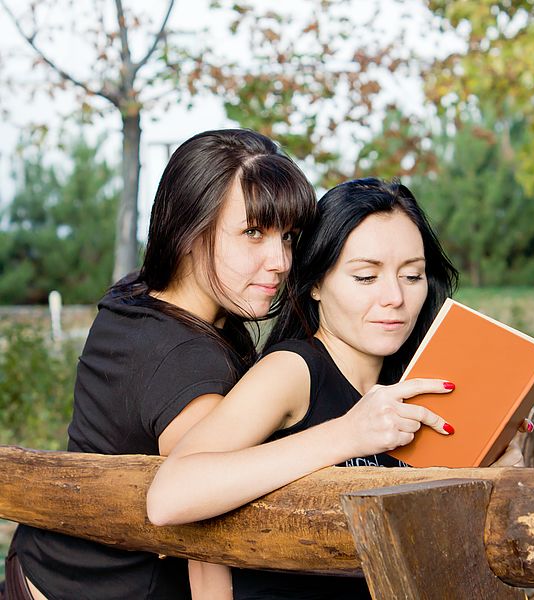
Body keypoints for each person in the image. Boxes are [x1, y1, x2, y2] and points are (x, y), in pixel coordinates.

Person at [147, 178, 527, 599]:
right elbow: (169, 495)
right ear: (315, 284)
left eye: (413, 275)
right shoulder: (292, 370)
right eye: (366, 277)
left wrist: (494, 478)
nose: (395, 297)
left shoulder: (412, 383)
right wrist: (347, 434)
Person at [6, 128, 318, 600]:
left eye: (288, 237)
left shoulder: (138, 298)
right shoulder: (186, 360)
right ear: (190, 230)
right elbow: (203, 516)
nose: (279, 260)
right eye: (253, 232)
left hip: (41, 565)